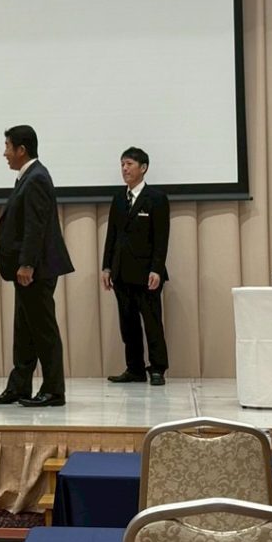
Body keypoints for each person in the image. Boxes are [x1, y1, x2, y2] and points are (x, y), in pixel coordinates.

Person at [0, 125, 74, 407]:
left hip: (36, 270)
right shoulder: (28, 176)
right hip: (30, 270)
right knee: (25, 331)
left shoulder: (36, 177)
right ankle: (19, 387)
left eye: (7, 146)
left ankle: (54, 390)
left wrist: (27, 263)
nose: (4, 153)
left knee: (43, 330)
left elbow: (35, 226)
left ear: (21, 149)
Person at [101, 146, 170, 386]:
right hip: (121, 272)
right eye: (122, 164)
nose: (124, 169)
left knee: (152, 323)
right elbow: (112, 235)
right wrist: (106, 267)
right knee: (128, 324)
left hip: (147, 273)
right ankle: (134, 369)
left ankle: (158, 368)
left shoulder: (156, 199)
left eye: (129, 164)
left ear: (143, 168)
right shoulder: (119, 198)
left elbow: (162, 238)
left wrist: (157, 269)